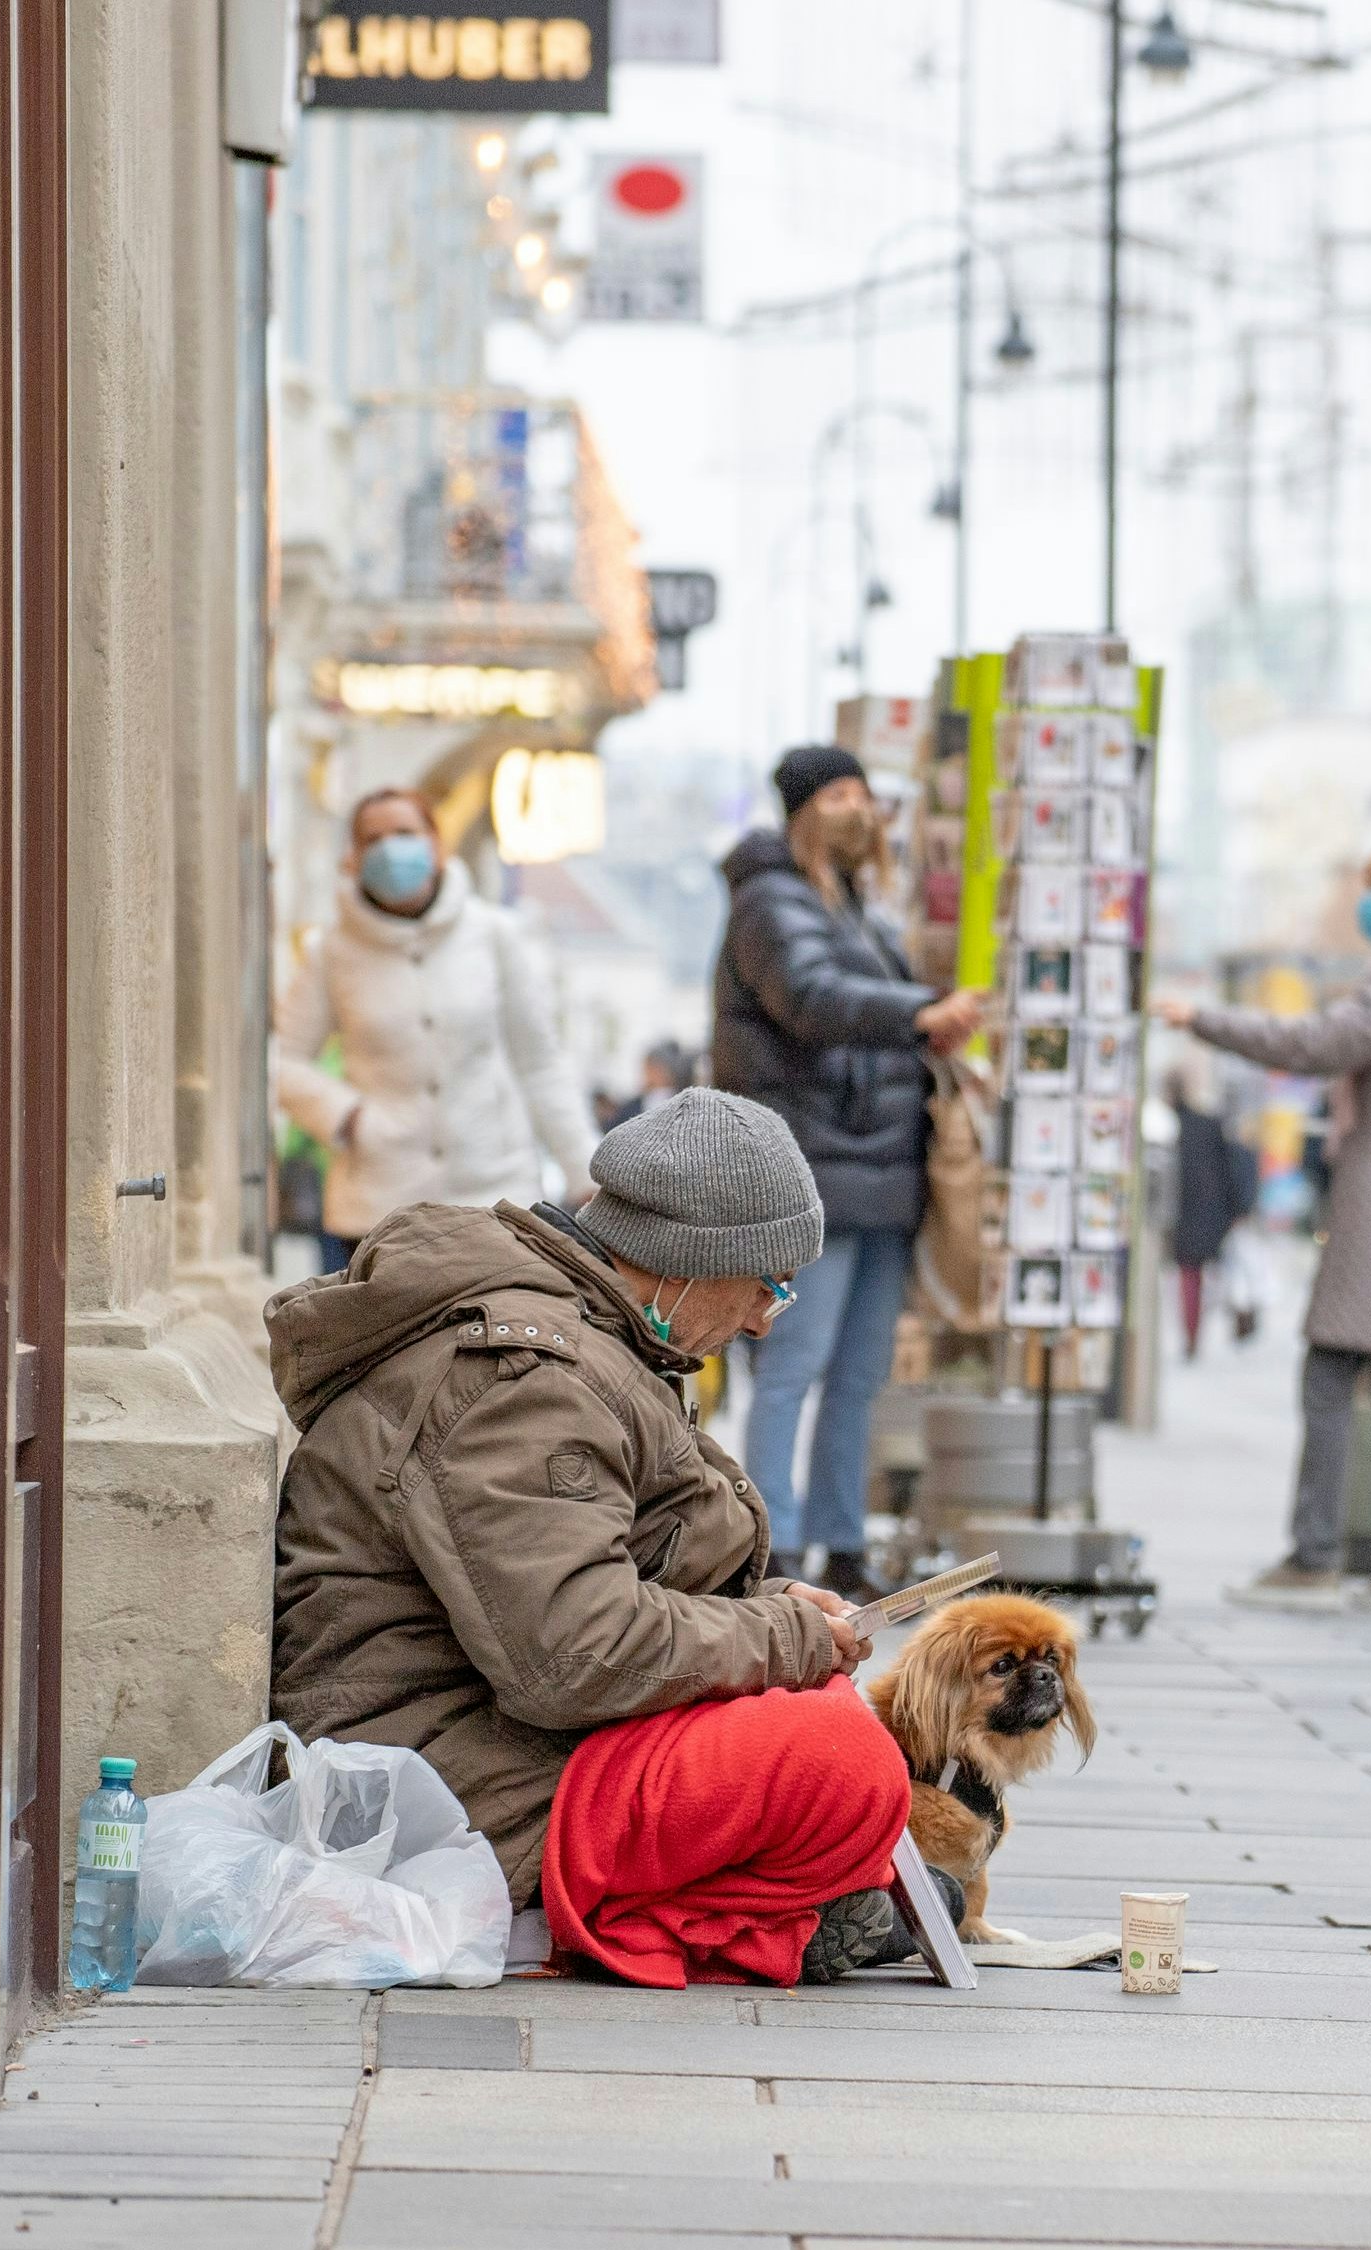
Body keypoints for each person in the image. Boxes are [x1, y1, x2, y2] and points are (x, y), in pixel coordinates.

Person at [268, 1091, 927, 1987]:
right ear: (690, 1262)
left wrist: (774, 1612)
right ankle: (730, 1921)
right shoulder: (526, 1384)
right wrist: (786, 1639)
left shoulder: (591, 1343)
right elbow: (573, 1656)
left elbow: (602, 1583)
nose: (768, 1318)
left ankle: (770, 1906)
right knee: (836, 1761)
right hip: (437, 1777)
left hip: (501, 1732)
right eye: (767, 1282)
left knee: (829, 1733)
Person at [1159, 830, 1371, 1613]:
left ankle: (1314, 1553)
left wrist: (1206, 1020)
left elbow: (1326, 1043)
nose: (1368, 898)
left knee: (1328, 1369)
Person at [711, 745, 990, 1598]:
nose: (858, 807)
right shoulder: (770, 902)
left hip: (878, 1171)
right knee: (793, 1365)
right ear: (801, 808)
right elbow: (811, 997)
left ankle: (841, 1541)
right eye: (838, 792)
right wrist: (921, 1013)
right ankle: (774, 1545)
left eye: (865, 792)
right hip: (812, 1169)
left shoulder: (858, 908)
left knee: (861, 1375)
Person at [274, 787, 599, 1274]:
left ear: (435, 843)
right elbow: (281, 1060)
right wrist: (349, 1117)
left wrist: (584, 1171)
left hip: (497, 1195)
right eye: (373, 838)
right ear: (353, 858)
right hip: (381, 1205)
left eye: (404, 833)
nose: (390, 849)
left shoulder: (493, 935)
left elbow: (540, 1061)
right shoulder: (331, 952)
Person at [1166, 1055, 1260, 1358]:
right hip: (1212, 1212)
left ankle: (1196, 1333)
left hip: (1200, 1212)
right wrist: (1240, 1207)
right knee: (1213, 1273)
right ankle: (1219, 1322)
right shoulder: (1208, 1122)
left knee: (1197, 1277)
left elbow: (1237, 1164)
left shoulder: (1185, 1123)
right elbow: (1239, 1164)